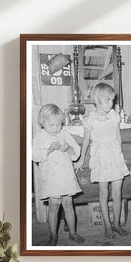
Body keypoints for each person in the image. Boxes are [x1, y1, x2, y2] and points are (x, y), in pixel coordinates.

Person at [75, 83, 129, 239]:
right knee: (104, 192)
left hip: (115, 157)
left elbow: (118, 137)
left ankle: (117, 224)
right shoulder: (90, 120)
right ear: (97, 100)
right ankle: (107, 226)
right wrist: (80, 160)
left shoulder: (114, 116)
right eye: (108, 100)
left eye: (112, 100)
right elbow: (85, 141)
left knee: (118, 192)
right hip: (101, 158)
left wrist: (120, 155)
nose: (111, 103)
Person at [32, 104, 85, 246]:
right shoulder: (39, 136)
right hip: (52, 177)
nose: (56, 128)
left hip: (66, 175)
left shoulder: (64, 133)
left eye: (59, 124)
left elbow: (76, 150)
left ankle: (73, 232)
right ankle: (53, 235)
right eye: (52, 125)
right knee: (54, 206)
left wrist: (68, 149)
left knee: (68, 204)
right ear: (42, 122)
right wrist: (48, 150)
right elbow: (35, 155)